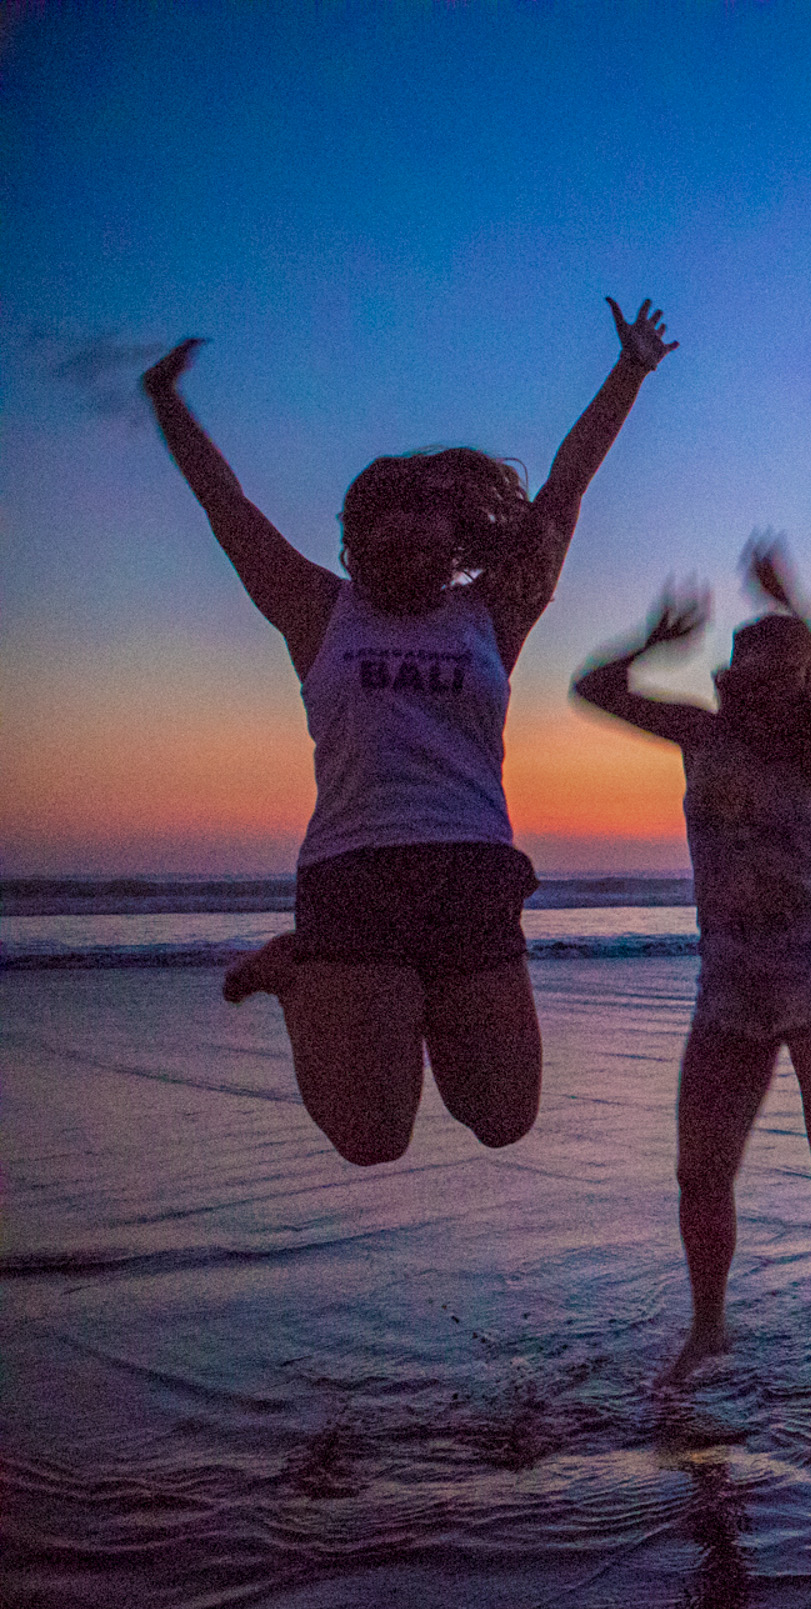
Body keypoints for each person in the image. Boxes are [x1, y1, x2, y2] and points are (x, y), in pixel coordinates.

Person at [144, 299, 676, 1166]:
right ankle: (300, 975)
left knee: (505, 1117)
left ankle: (357, 991)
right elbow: (225, 506)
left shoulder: (491, 615)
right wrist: (167, 401)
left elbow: (564, 496)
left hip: (471, 873)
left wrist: (630, 371)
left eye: (424, 517)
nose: (405, 531)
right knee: (373, 1138)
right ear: (357, 538)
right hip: (357, 875)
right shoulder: (319, 610)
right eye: (382, 518)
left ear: (453, 536)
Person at [573, 539, 811, 1395]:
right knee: (701, 1168)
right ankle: (709, 1328)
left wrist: (801, 606)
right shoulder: (703, 735)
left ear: (798, 679)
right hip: (729, 970)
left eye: (774, 664)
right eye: (741, 660)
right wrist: (653, 640)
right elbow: (594, 690)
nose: (749, 673)